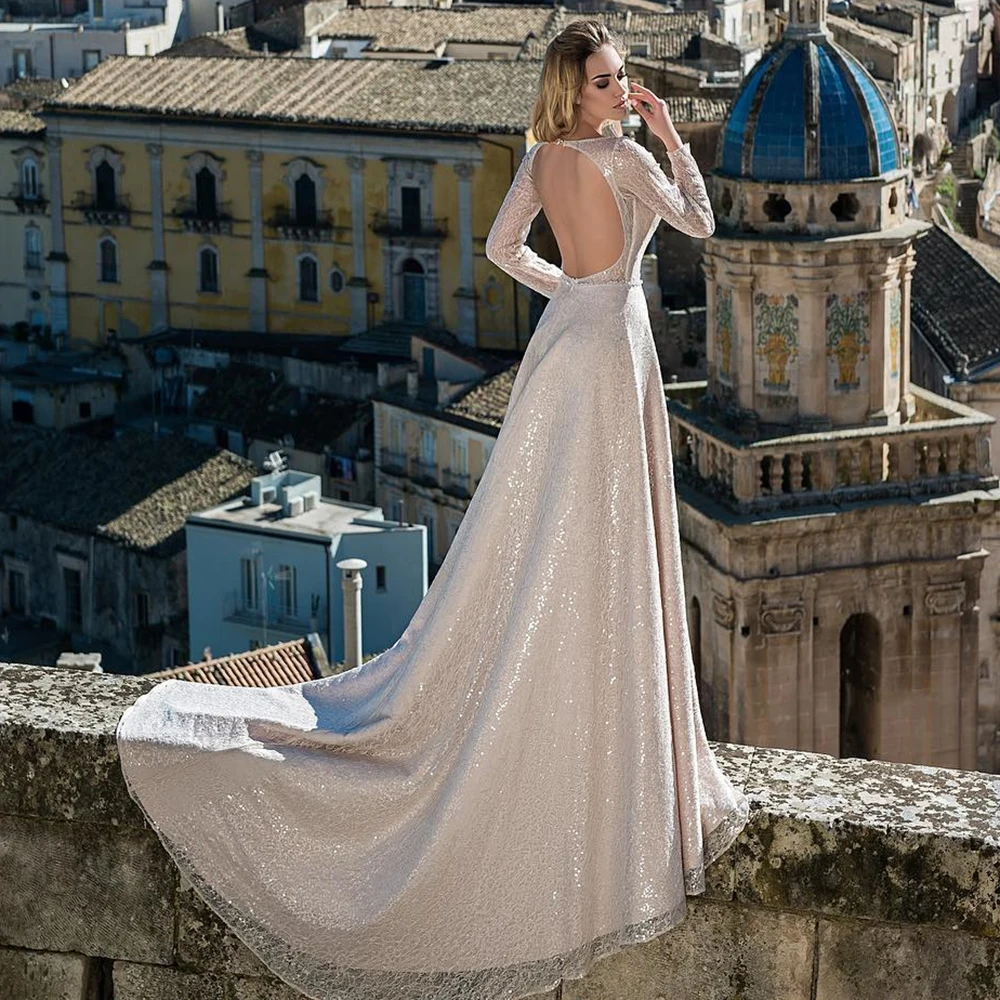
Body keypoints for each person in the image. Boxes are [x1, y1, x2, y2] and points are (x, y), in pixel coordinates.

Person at [115, 18, 751, 1000]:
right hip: (613, 345)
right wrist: (668, 138)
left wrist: (570, 291)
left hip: (564, 344)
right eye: (607, 80)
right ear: (575, 88)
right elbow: (700, 224)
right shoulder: (625, 157)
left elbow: (502, 249)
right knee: (612, 536)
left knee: (547, 531)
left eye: (624, 78)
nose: (623, 91)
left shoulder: (540, 159)